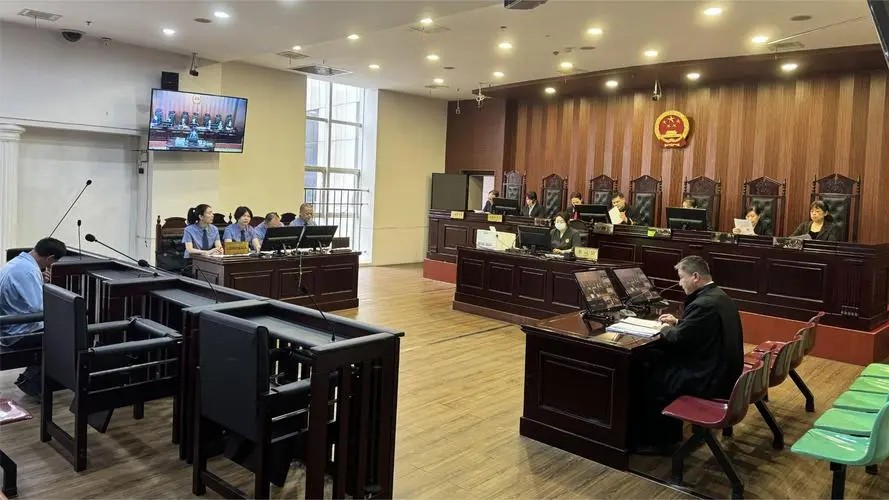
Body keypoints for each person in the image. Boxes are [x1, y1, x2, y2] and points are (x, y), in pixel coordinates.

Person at [633, 256, 744, 453]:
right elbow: (701, 330)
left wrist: (664, 328)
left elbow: (677, 340)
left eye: (681, 277)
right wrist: (678, 322)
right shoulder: (718, 296)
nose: (679, 283)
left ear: (695, 277)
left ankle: (661, 443)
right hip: (723, 369)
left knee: (653, 376)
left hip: (710, 376)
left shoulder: (704, 304)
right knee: (659, 362)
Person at [1, 237, 67, 399]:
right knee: (67, 339)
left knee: (59, 333)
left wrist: (39, 281)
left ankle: (31, 378)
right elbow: (39, 309)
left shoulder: (17, 263)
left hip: (7, 326)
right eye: (53, 262)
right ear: (50, 257)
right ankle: (32, 381)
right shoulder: (29, 271)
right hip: (17, 333)